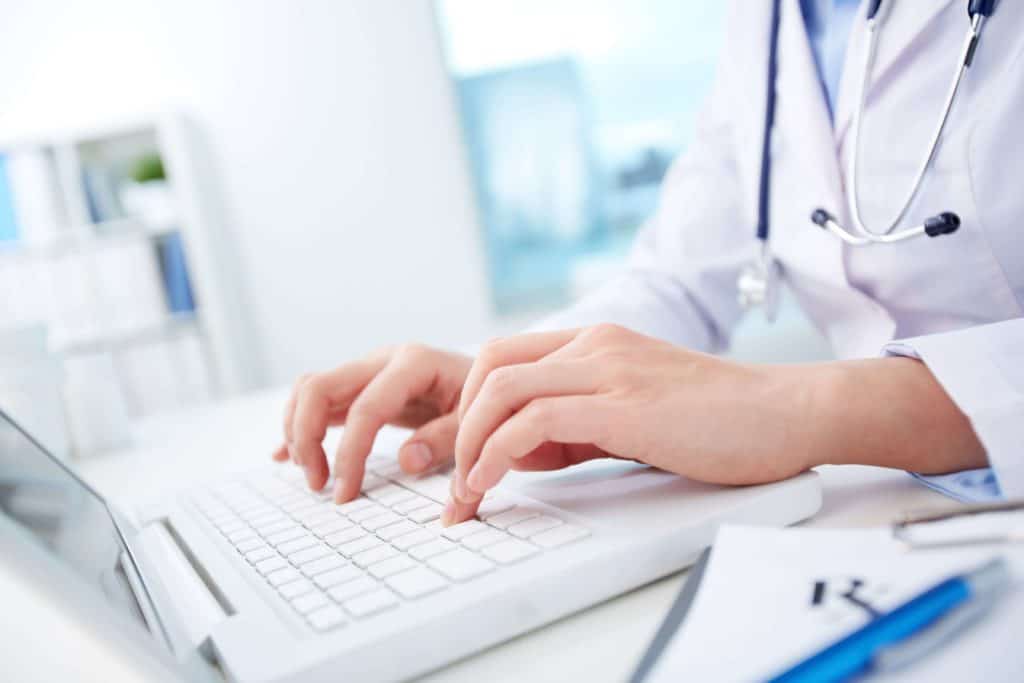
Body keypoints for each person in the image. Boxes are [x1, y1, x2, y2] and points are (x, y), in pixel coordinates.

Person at [273, 0, 1024, 526]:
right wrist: (507, 378)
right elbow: (677, 278)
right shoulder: (767, 19)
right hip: (888, 513)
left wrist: (792, 409)